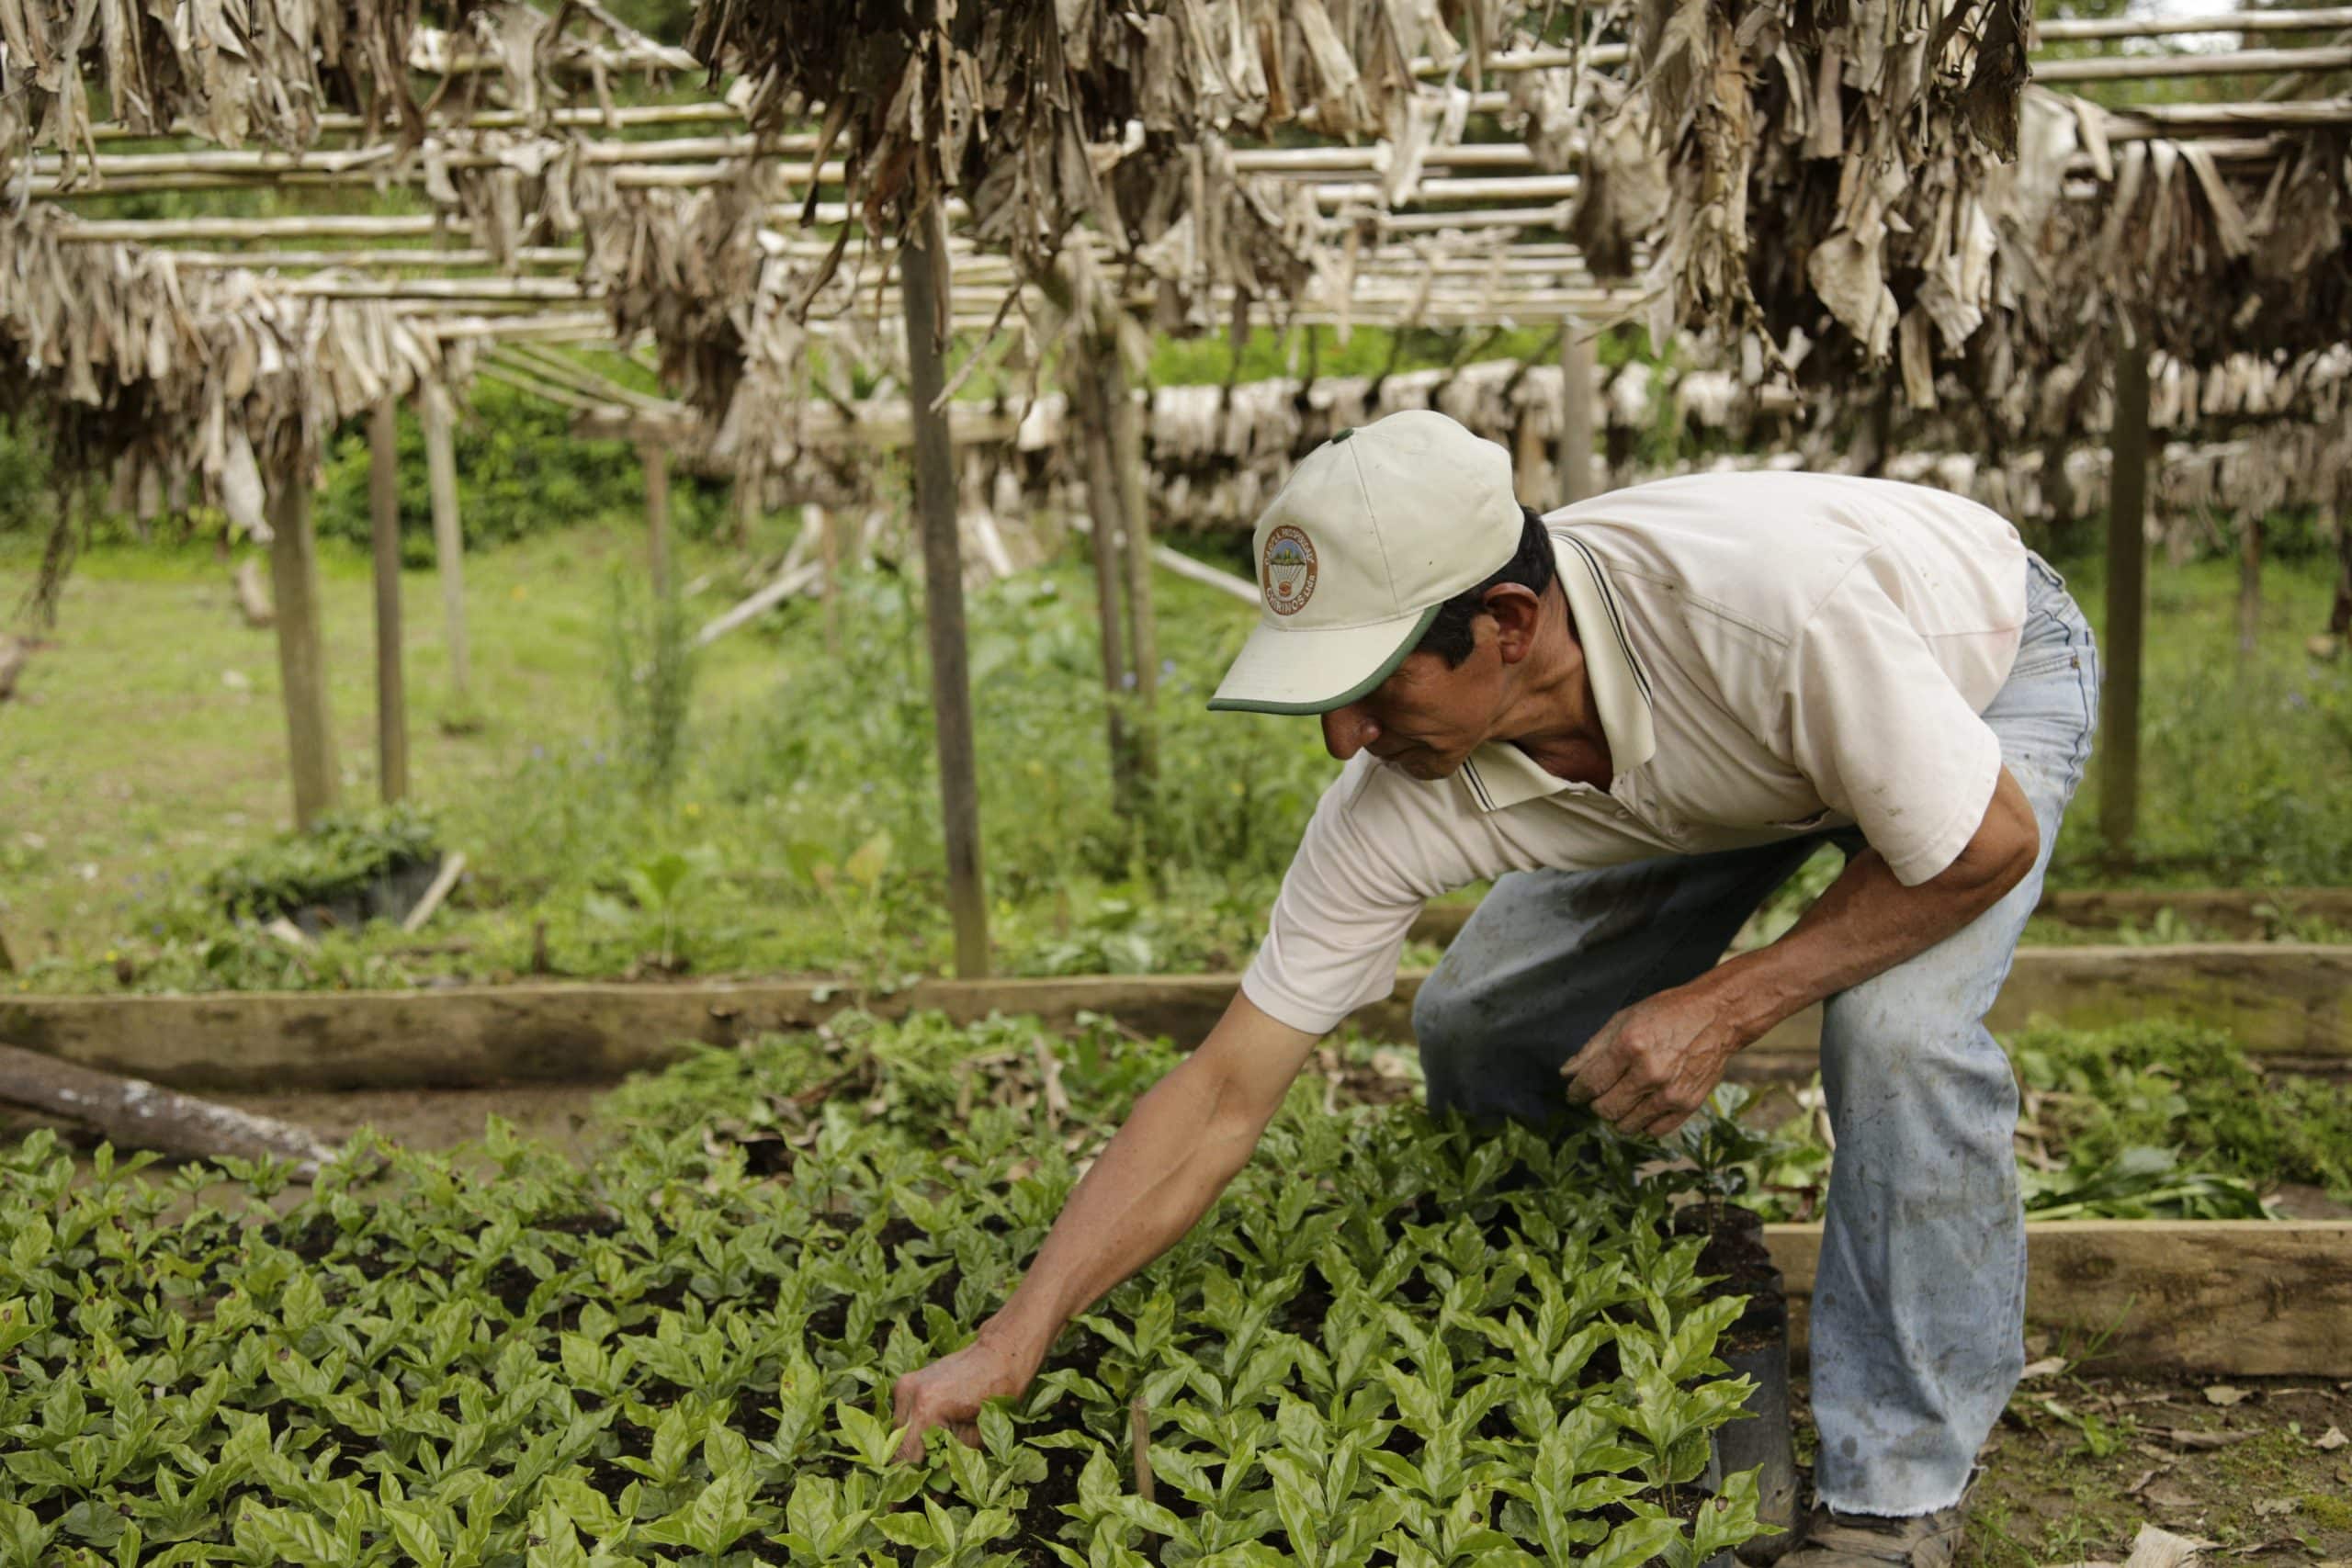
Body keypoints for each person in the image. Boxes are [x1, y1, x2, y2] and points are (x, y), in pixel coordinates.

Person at [890, 410, 2099, 1566]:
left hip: (1973, 671)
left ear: (1509, 621)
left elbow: (1979, 848)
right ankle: (1620, 1272)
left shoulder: (1770, 615)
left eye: (1373, 683)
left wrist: (1727, 1002)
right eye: (1324, 695)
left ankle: (1901, 1492)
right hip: (1735, 757)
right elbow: (1222, 1090)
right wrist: (1010, 1343)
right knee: (1479, 1020)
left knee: (1897, 1031)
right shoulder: (1396, 791)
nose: (1344, 737)